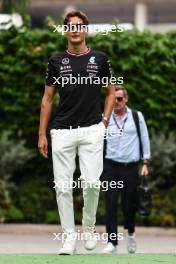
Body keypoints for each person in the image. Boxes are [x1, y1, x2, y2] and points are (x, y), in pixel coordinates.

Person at [38, 10, 115, 255]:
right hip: (61, 132)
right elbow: (47, 99)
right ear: (65, 31)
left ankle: (89, 229)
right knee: (62, 187)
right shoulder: (55, 61)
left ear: (85, 30)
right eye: (70, 26)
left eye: (79, 26)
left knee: (92, 183)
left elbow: (111, 92)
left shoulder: (100, 59)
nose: (74, 30)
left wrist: (104, 122)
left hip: (92, 129)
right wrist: (42, 133)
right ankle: (69, 239)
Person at [102, 85, 151, 253]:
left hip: (130, 168)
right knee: (110, 204)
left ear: (126, 99)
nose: (116, 102)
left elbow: (144, 138)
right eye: (114, 98)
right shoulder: (105, 118)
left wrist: (145, 163)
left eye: (120, 98)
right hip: (110, 166)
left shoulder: (137, 116)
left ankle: (130, 234)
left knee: (128, 205)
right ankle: (112, 241)